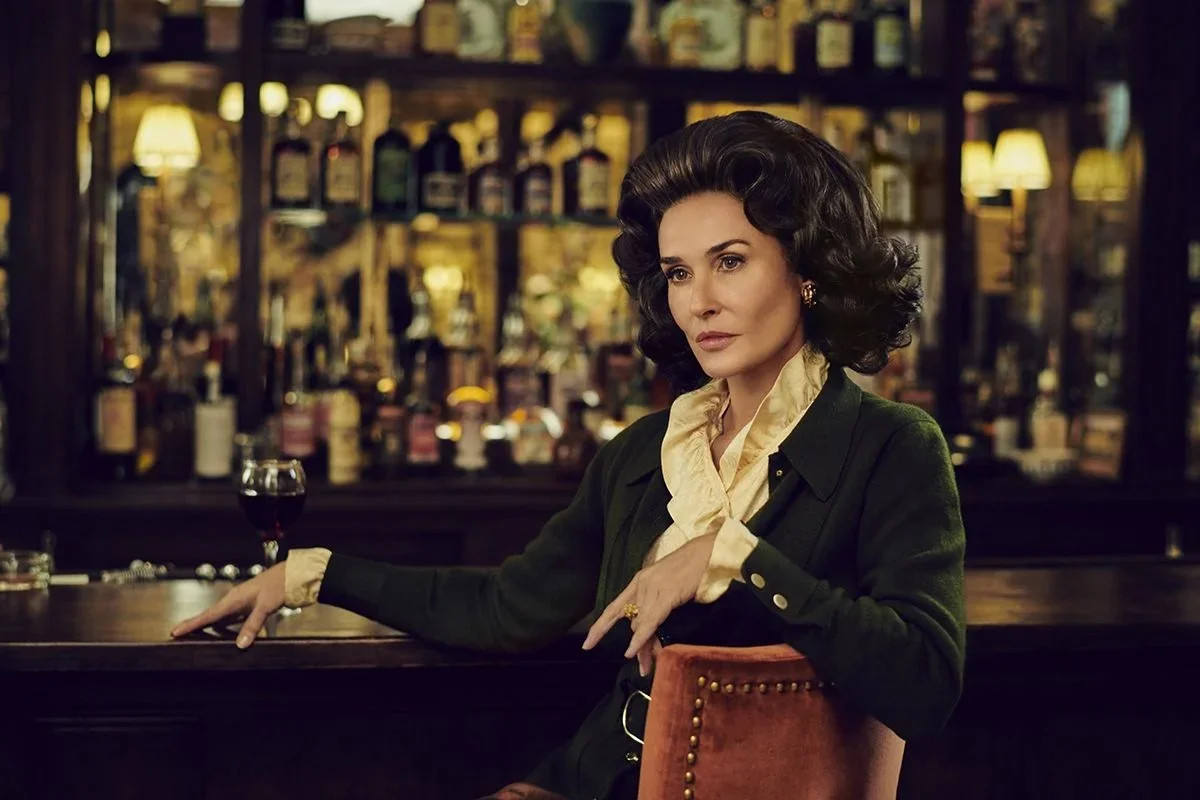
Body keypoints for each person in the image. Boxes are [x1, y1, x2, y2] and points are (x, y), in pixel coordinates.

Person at [172, 111, 965, 800]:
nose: (698, 301)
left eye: (730, 261)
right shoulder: (643, 455)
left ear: (809, 271)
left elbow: (926, 683)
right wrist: (311, 573)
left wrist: (736, 557)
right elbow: (503, 607)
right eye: (678, 273)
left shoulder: (890, 446)